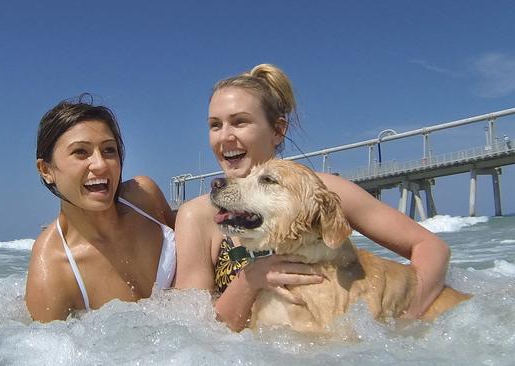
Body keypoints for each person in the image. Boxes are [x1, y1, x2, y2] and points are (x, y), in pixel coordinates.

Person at [173, 64, 451, 331]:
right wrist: (250, 279)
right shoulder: (197, 216)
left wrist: (405, 319)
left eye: (239, 122)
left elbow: (431, 247)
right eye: (215, 125)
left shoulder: (324, 191)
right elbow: (196, 331)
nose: (225, 136)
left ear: (278, 130)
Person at [26, 96, 176, 322]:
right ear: (46, 170)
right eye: (81, 152)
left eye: (108, 150)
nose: (101, 164)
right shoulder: (54, 268)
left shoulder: (144, 197)